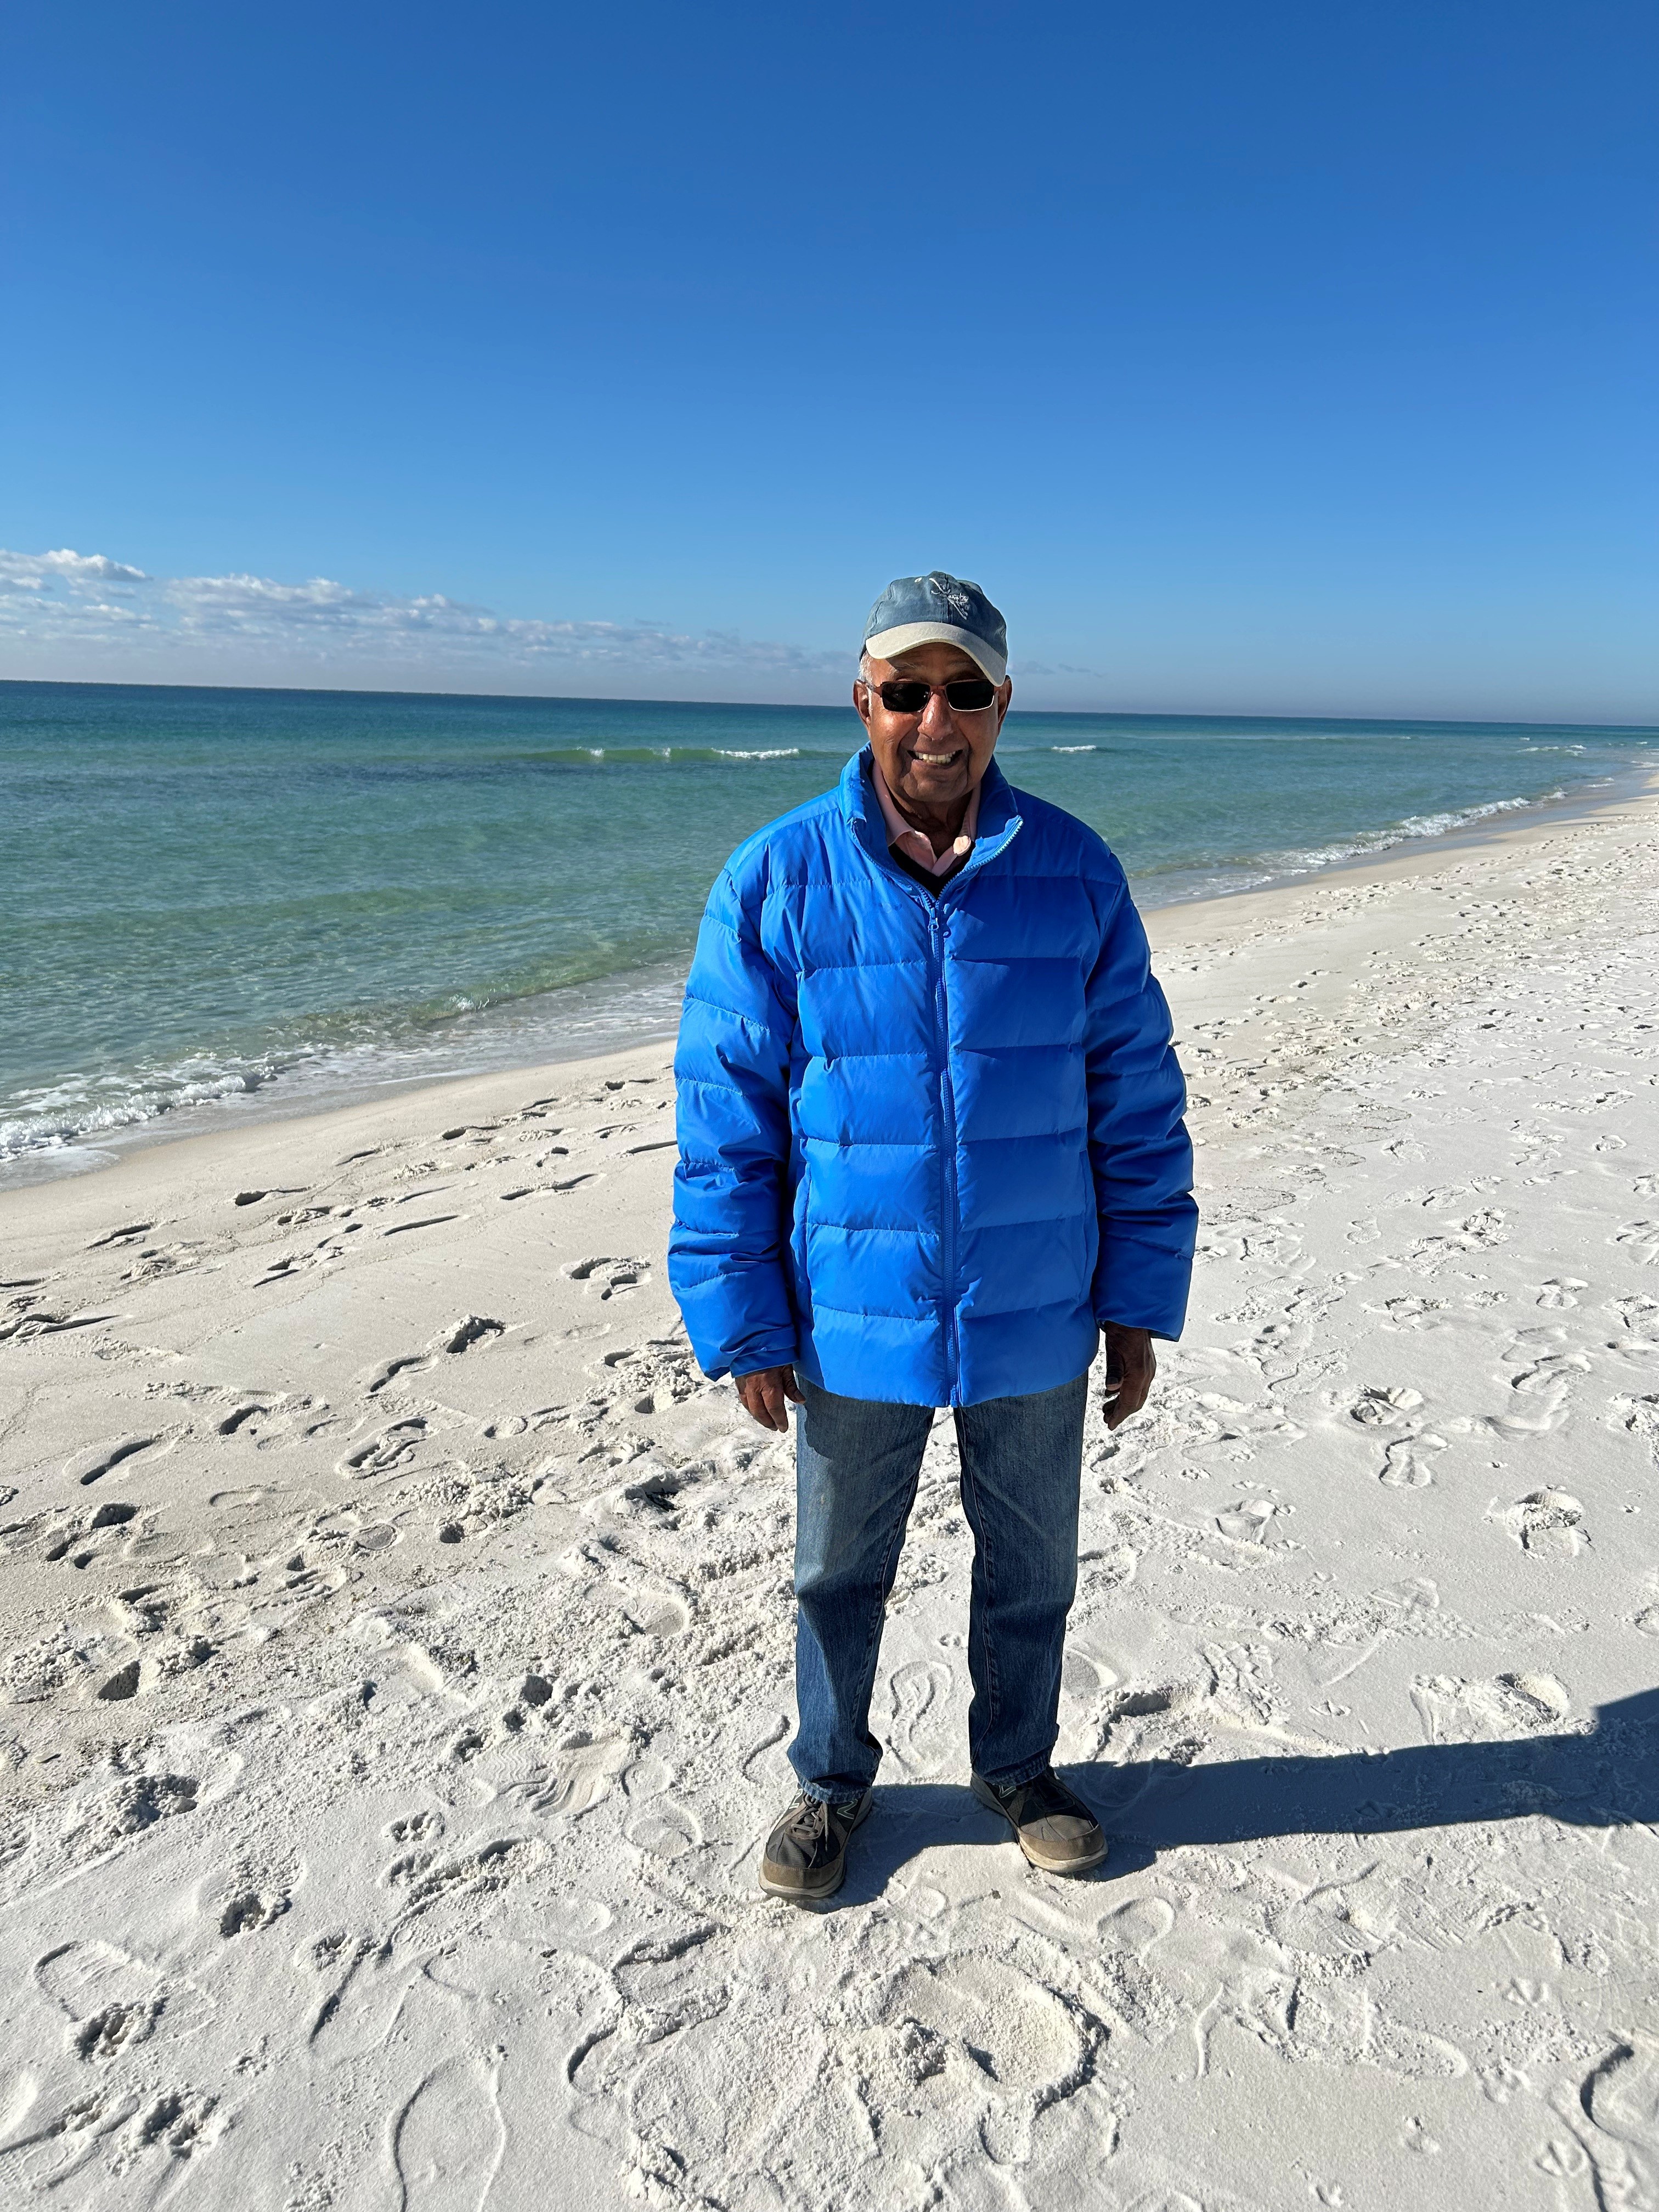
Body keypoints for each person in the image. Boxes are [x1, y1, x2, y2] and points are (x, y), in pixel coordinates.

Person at [668, 572, 1195, 1901]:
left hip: (1037, 1297)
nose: (935, 720)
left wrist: (1137, 1299)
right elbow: (725, 1120)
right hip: (849, 1306)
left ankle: (1017, 1767)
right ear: (864, 702)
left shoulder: (1077, 872)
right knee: (836, 1574)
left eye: (964, 691)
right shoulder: (776, 877)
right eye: (907, 691)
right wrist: (743, 1318)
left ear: (1004, 705)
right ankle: (829, 1783)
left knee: (1032, 1568)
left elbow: (1136, 1099)